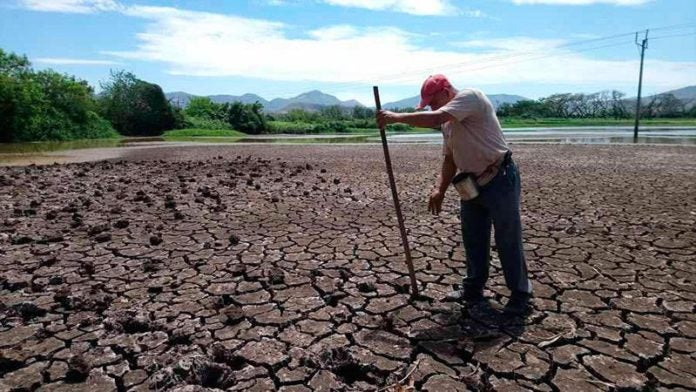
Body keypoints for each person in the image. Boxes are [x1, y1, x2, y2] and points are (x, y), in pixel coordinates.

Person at [376, 74, 532, 315]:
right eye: (427, 104)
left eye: (433, 100)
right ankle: (473, 289)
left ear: (447, 91)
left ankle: (520, 294)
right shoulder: (448, 125)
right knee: (473, 237)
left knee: (507, 238)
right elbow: (449, 160)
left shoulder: (471, 97)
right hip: (470, 185)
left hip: (499, 178)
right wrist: (439, 188)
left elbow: (437, 116)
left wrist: (396, 118)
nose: (431, 106)